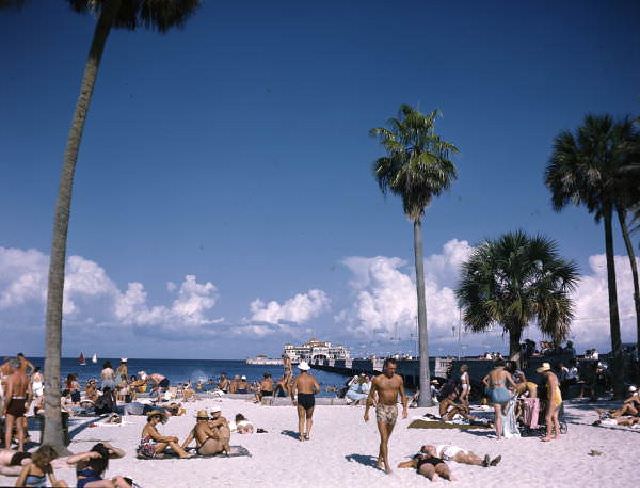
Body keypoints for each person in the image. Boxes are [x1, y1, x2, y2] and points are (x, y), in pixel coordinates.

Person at [364, 357, 408, 475]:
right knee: (383, 438)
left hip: (394, 409)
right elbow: (370, 396)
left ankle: (379, 459)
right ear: (385, 367)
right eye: (390, 369)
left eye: (394, 369)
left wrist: (404, 409)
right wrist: (366, 412)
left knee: (386, 438)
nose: (392, 371)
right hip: (382, 408)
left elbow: (403, 395)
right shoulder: (378, 380)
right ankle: (386, 465)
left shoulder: (398, 379)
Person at [482, 360, 517, 441]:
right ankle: (505, 411)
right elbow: (512, 383)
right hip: (504, 392)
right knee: (505, 410)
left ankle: (498, 436)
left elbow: (486, 382)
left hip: (495, 393)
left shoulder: (491, 373)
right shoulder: (505, 372)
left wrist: (490, 387)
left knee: (498, 416)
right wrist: (516, 388)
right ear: (503, 366)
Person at [3, 357, 31, 451]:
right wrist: (28, 403)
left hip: (13, 402)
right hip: (22, 401)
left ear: (12, 366)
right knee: (19, 426)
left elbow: (9, 394)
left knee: (9, 427)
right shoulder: (26, 377)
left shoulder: (11, 377)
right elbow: (30, 393)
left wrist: (5, 406)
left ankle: (8, 448)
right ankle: (21, 448)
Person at [290, 361, 320, 442]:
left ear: (300, 369)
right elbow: (318, 389)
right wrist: (314, 393)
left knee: (301, 418)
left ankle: (301, 437)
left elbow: (292, 390)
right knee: (309, 417)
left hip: (301, 397)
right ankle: (307, 434)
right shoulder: (312, 378)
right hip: (310, 397)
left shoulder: (298, 378)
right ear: (307, 369)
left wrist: (293, 399)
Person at [411, 444, 500, 467]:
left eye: (428, 445)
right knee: (467, 459)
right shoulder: (431, 453)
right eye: (427, 447)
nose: (429, 446)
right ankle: (483, 463)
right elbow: (430, 458)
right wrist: (422, 455)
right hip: (450, 454)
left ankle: (490, 463)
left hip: (457, 449)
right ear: (425, 451)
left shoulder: (435, 447)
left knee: (472, 455)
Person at [537, 362, 562, 442]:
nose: (541, 375)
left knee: (547, 417)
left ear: (544, 371)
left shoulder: (549, 377)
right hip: (558, 397)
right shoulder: (553, 375)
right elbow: (558, 385)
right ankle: (557, 434)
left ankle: (548, 436)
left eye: (541, 373)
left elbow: (552, 391)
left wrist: (551, 402)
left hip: (554, 398)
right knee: (554, 416)